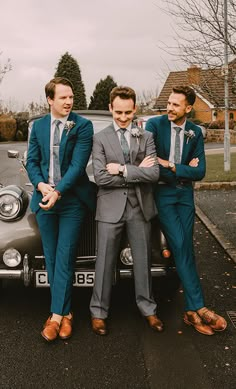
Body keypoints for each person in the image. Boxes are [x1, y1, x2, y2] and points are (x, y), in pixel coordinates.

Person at [146, 85, 227, 335]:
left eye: (175, 104)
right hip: (164, 195)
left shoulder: (194, 132)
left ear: (188, 108)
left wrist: (171, 165)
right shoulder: (154, 126)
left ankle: (192, 311)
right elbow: (152, 167)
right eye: (169, 103)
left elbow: (200, 171)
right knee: (180, 244)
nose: (169, 108)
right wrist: (182, 169)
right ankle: (199, 308)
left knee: (186, 247)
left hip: (185, 196)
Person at [89, 86, 163, 336]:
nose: (122, 117)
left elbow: (153, 174)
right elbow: (100, 178)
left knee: (142, 261)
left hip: (139, 208)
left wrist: (122, 170)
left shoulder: (147, 136)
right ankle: (99, 312)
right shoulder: (99, 138)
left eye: (128, 113)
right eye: (118, 112)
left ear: (135, 109)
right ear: (110, 108)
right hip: (109, 208)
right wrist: (135, 171)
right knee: (104, 263)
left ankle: (148, 309)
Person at [27, 77, 95, 341]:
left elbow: (78, 167)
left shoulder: (83, 126)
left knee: (65, 256)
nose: (68, 102)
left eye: (71, 97)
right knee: (52, 257)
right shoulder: (39, 126)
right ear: (50, 100)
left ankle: (55, 317)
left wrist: (58, 191)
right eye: (63, 97)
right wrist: (41, 185)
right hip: (45, 199)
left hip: (72, 200)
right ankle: (66, 313)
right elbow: (32, 160)